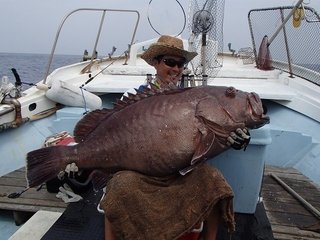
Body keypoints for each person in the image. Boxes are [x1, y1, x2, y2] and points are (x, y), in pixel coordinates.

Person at [100, 35, 250, 240]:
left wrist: (235, 137)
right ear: (155, 62)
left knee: (215, 181)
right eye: (170, 62)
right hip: (141, 174)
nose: (176, 69)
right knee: (117, 186)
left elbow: (212, 135)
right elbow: (113, 132)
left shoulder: (191, 97)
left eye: (180, 64)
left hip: (180, 173)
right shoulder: (134, 95)